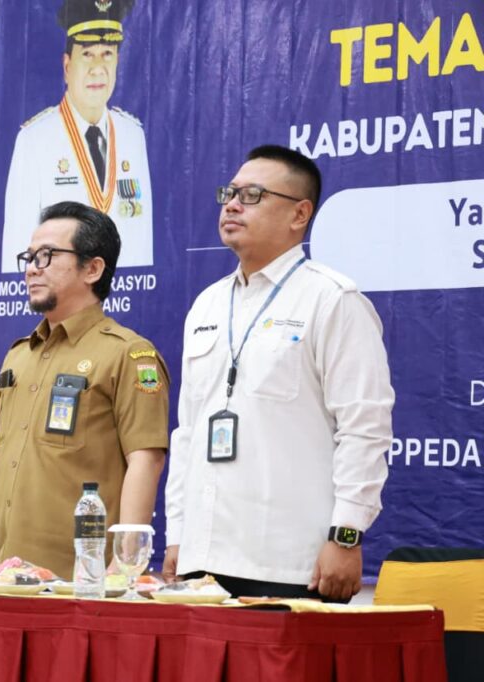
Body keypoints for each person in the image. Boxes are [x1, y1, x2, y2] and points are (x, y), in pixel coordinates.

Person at [163, 145, 395, 601]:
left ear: (299, 214)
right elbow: (188, 431)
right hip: (202, 561)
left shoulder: (332, 299)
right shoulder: (207, 304)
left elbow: (364, 427)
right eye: (229, 193)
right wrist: (178, 534)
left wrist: (346, 534)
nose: (232, 205)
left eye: (252, 195)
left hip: (290, 563)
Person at [0, 200, 168, 578]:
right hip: (4, 577)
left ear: (92, 268)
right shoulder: (18, 356)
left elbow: (145, 460)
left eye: (47, 256)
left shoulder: (127, 354)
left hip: (80, 580)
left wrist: (124, 565)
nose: (32, 268)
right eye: (29, 257)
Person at [2, 0, 153, 273]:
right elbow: (19, 245)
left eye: (107, 54)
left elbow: (141, 237)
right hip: (62, 292)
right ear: (67, 66)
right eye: (87, 54)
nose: (98, 68)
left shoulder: (133, 136)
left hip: (123, 291)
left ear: (117, 62)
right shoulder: (34, 140)